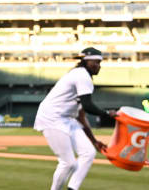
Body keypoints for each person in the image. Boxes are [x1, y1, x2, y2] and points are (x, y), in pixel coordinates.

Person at [34, 47, 116, 190]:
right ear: (86, 62)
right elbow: (88, 106)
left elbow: (81, 115)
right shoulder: (82, 75)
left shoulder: (82, 76)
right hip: (51, 117)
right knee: (68, 163)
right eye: (95, 62)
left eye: (99, 62)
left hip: (66, 118)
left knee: (89, 153)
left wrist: (94, 141)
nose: (98, 66)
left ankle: (72, 188)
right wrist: (107, 114)